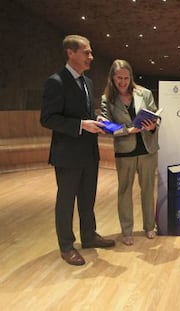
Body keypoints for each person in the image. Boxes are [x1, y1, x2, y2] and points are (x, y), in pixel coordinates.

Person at [40, 35, 115, 266]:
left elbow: (85, 112)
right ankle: (66, 246)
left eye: (91, 53)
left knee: (87, 198)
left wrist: (96, 119)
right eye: (86, 52)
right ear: (70, 53)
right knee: (66, 202)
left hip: (89, 152)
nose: (91, 57)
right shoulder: (56, 81)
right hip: (67, 154)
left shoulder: (87, 82)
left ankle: (89, 236)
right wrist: (82, 125)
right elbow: (48, 118)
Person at [100, 59, 159, 245]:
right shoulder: (106, 99)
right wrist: (128, 130)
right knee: (124, 191)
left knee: (148, 190)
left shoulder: (145, 93)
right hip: (125, 150)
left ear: (131, 77)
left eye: (126, 78)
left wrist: (152, 126)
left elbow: (156, 116)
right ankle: (127, 231)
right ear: (112, 78)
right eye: (119, 78)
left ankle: (150, 227)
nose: (123, 82)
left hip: (147, 149)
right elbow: (106, 126)